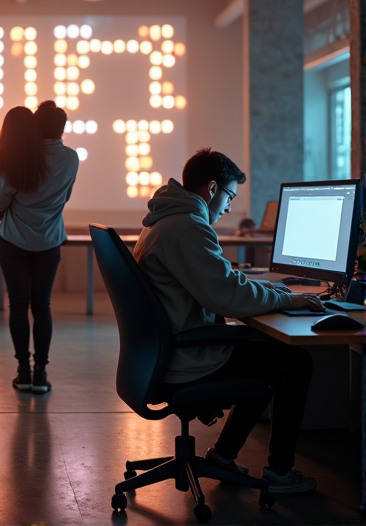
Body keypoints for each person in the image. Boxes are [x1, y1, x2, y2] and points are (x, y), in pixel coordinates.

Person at [133, 148, 323, 494]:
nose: (230, 206)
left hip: (166, 353)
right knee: (295, 362)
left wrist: (262, 287)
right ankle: (281, 473)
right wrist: (288, 297)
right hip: (188, 358)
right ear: (211, 189)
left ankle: (223, 456)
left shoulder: (165, 220)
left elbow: (219, 283)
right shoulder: (189, 227)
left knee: (264, 353)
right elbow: (226, 297)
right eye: (230, 196)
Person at [0, 102, 79, 394]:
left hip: (13, 241)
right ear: (62, 128)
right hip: (49, 242)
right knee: (42, 306)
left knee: (18, 305)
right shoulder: (71, 159)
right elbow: (65, 199)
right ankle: (41, 374)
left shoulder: (17, 158)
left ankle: (22, 371)